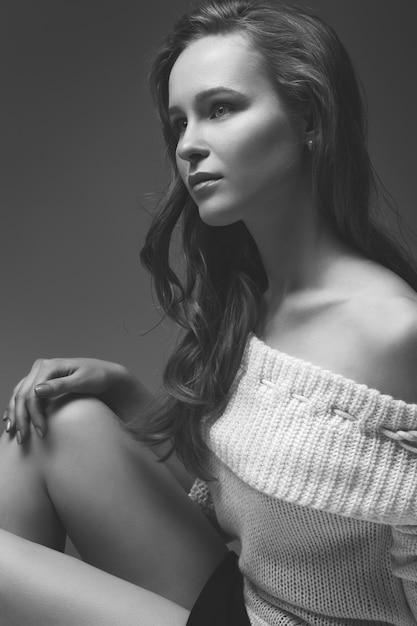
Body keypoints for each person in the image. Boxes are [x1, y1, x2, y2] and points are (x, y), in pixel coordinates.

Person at [2, 0, 417, 624]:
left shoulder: (393, 331)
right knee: (56, 422)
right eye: (180, 123)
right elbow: (250, 500)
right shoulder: (254, 299)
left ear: (308, 117)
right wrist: (126, 392)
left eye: (221, 109)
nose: (189, 146)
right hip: (246, 601)